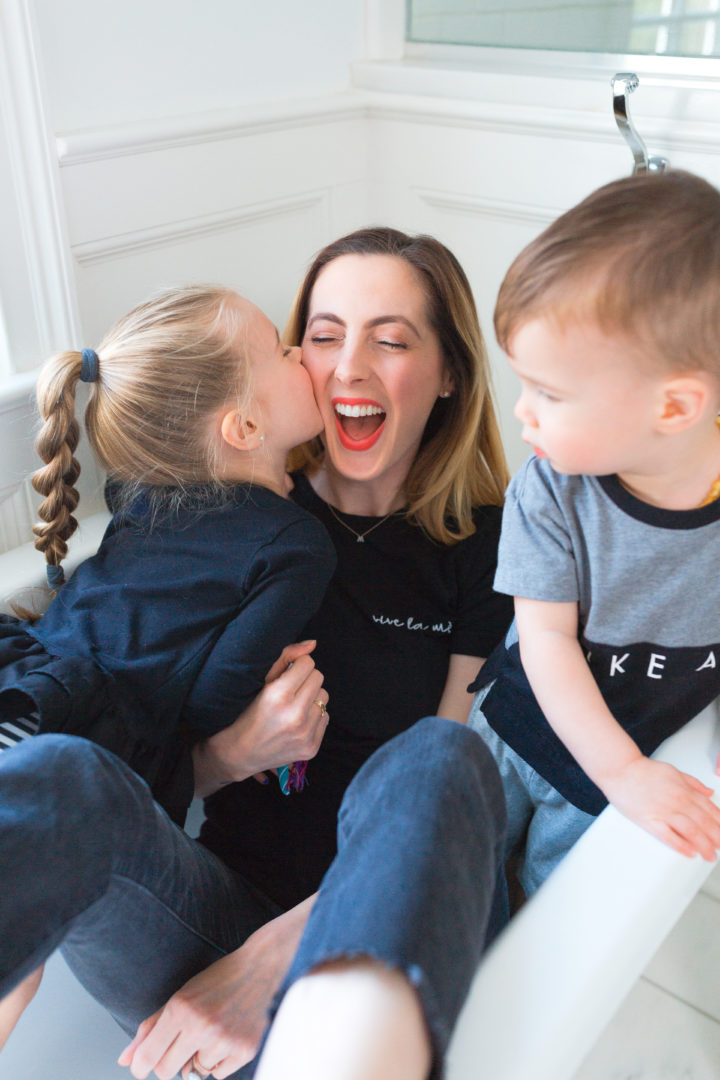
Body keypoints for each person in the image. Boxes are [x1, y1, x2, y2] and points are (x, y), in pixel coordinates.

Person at [0, 229, 512, 1080]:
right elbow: (135, 733)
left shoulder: (487, 544)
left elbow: (467, 806)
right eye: (321, 334)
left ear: (451, 372)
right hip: (212, 927)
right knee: (65, 776)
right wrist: (226, 758)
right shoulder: (235, 517)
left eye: (390, 338)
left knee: (440, 753)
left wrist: (281, 952)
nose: (348, 365)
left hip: (387, 927)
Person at [468, 169, 720, 899]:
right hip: (519, 733)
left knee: (551, 902)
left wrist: (623, 779)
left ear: (673, 407)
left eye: (549, 393)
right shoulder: (552, 487)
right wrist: (625, 773)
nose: (524, 413)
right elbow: (543, 640)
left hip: (615, 770)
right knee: (465, 882)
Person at [0, 284, 335, 819]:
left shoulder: (140, 494)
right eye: (281, 350)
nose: (300, 353)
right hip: (75, 748)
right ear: (245, 428)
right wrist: (263, 674)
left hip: (22, 683)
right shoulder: (296, 545)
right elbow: (211, 704)